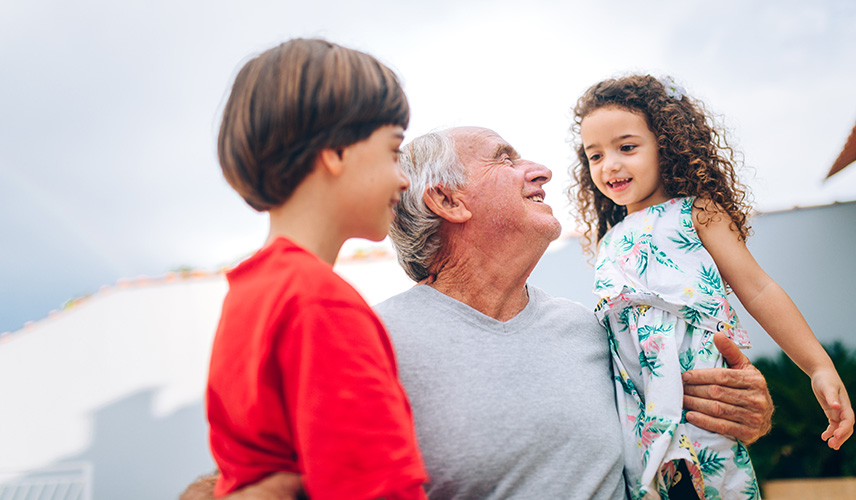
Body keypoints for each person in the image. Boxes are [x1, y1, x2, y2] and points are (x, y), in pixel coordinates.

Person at [183, 125, 774, 500]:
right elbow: (238, 483)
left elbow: (676, 437)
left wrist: (738, 413)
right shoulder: (369, 338)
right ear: (446, 199)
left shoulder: (598, 330)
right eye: (505, 158)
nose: (541, 170)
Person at [570, 74, 854, 499]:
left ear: (664, 146)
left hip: (703, 404)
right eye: (595, 155)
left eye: (626, 147)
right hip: (638, 412)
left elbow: (758, 289)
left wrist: (818, 366)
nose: (609, 165)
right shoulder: (608, 241)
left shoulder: (697, 213)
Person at [205, 38, 427, 500]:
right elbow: (377, 491)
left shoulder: (247, 294)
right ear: (336, 151)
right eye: (392, 150)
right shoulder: (319, 302)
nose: (403, 178)